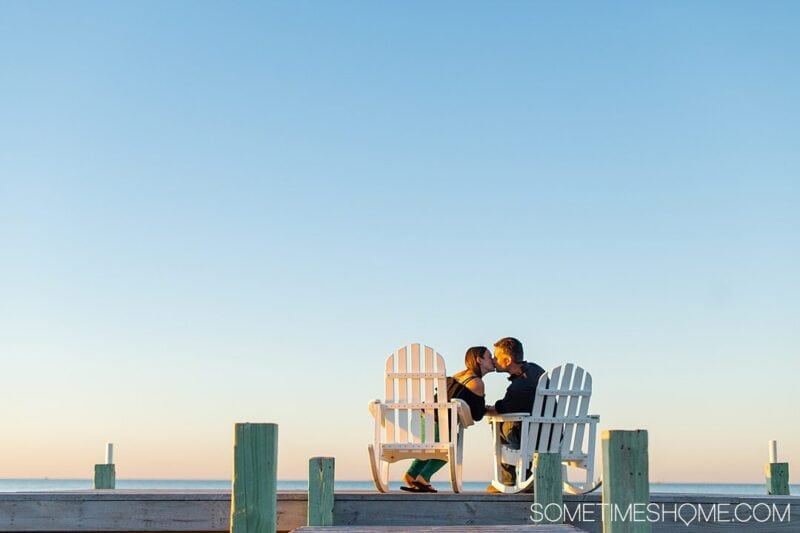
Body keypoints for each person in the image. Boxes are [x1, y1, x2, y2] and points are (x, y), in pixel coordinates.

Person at [400, 346, 495, 493]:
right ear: (479, 360)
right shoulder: (477, 383)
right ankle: (424, 478)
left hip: (423, 419)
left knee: (431, 447)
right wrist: (490, 408)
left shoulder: (458, 376)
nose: (494, 360)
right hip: (439, 423)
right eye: (490, 357)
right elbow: (477, 414)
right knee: (451, 446)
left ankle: (411, 475)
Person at [485, 336, 546, 491]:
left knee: (497, 423)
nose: (493, 360)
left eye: (496, 357)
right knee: (515, 423)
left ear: (507, 360)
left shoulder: (519, 385)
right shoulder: (536, 370)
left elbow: (503, 408)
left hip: (531, 437)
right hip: (552, 434)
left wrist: (483, 409)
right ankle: (526, 477)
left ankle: (507, 481)